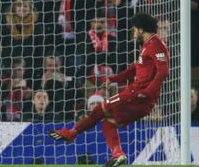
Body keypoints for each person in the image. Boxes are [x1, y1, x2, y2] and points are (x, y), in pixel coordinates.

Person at [49, 13, 170, 167]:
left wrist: (148, 92)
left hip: (139, 95)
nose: (133, 33)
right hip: (137, 95)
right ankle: (118, 154)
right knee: (108, 123)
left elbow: (163, 71)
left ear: (140, 29)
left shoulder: (157, 45)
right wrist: (114, 79)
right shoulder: (147, 45)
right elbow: (136, 68)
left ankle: (71, 133)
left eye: (134, 30)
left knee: (101, 108)